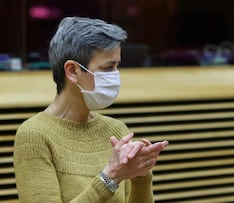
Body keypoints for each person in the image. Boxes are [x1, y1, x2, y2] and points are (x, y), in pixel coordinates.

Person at [13, 16, 168, 202]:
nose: (115, 76)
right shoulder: (34, 135)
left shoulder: (116, 130)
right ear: (72, 71)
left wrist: (141, 176)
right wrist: (109, 178)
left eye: (117, 66)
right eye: (108, 67)